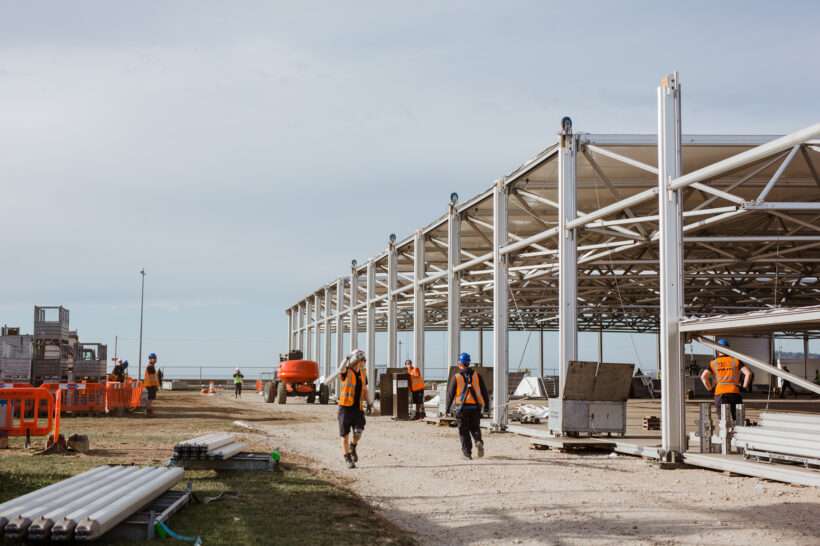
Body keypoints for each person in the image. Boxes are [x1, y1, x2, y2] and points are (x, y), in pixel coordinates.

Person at [446, 352, 489, 460]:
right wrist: (487, 406)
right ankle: (478, 440)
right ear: (469, 363)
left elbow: (450, 394)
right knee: (475, 427)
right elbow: (484, 392)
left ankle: (467, 454)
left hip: (461, 409)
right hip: (475, 407)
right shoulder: (477, 376)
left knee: (463, 431)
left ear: (460, 363)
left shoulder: (456, 377)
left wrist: (447, 409)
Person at [700, 339, 752, 422]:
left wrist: (710, 389)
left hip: (720, 393)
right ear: (728, 349)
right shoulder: (736, 361)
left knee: (723, 421)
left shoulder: (713, 363)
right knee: (739, 419)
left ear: (717, 350)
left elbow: (703, 377)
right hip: (734, 392)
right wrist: (744, 387)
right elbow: (748, 373)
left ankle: (725, 434)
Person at [337, 349, 368, 469]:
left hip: (358, 408)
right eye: (362, 360)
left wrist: (370, 404)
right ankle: (347, 458)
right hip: (345, 408)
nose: (364, 362)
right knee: (344, 435)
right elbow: (340, 369)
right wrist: (347, 358)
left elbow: (365, 389)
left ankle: (353, 446)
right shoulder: (347, 371)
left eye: (364, 360)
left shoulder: (363, 373)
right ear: (357, 361)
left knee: (358, 432)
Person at [143, 353, 161, 417]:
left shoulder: (151, 366)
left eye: (155, 358)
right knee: (149, 399)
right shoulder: (150, 366)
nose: (155, 360)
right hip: (150, 385)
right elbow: (153, 378)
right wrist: (156, 385)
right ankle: (148, 412)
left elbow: (154, 377)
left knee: (150, 399)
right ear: (150, 359)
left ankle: (149, 411)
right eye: (154, 358)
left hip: (151, 385)